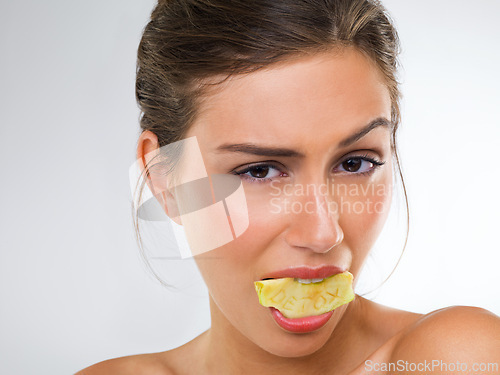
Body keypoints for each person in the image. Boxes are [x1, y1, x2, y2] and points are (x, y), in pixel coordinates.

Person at [77, 0, 500, 373]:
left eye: (355, 163)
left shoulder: (456, 358)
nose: (322, 234)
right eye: (258, 171)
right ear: (166, 179)